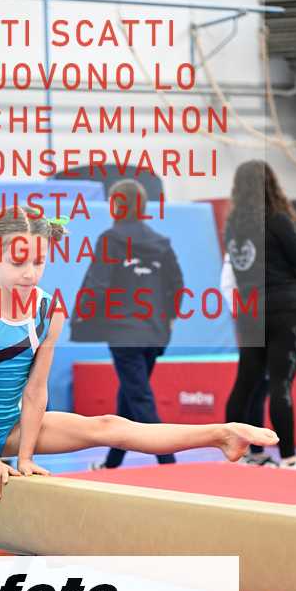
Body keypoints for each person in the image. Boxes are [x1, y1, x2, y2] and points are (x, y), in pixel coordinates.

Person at [0, 207, 278, 504]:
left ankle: (221, 434)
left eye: (39, 262)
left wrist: (25, 457)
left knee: (110, 426)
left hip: (21, 421)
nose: (30, 273)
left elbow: (36, 390)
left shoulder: (49, 309)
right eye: (18, 263)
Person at [70, 178, 184, 469]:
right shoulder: (160, 242)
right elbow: (177, 284)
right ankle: (111, 463)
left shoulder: (111, 240)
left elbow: (97, 284)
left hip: (125, 332)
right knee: (130, 396)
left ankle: (170, 464)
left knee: (140, 398)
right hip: (155, 332)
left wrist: (81, 315)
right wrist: (169, 319)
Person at [224, 160, 296, 470]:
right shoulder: (277, 219)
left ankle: (237, 455)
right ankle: (288, 458)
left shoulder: (233, 227)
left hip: (250, 313)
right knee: (279, 385)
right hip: (283, 309)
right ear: (271, 185)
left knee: (245, 383)